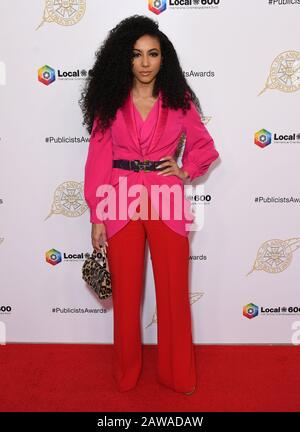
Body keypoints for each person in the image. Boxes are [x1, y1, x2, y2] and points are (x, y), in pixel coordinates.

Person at [80, 15, 219, 395]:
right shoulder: (110, 103)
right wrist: (97, 215)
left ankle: (177, 375)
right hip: (118, 200)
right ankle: (125, 374)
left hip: (166, 200)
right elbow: (97, 159)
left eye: (152, 54)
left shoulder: (179, 100)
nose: (144, 63)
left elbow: (205, 147)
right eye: (137, 54)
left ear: (163, 59)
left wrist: (186, 169)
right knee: (125, 296)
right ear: (124, 59)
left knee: (174, 293)